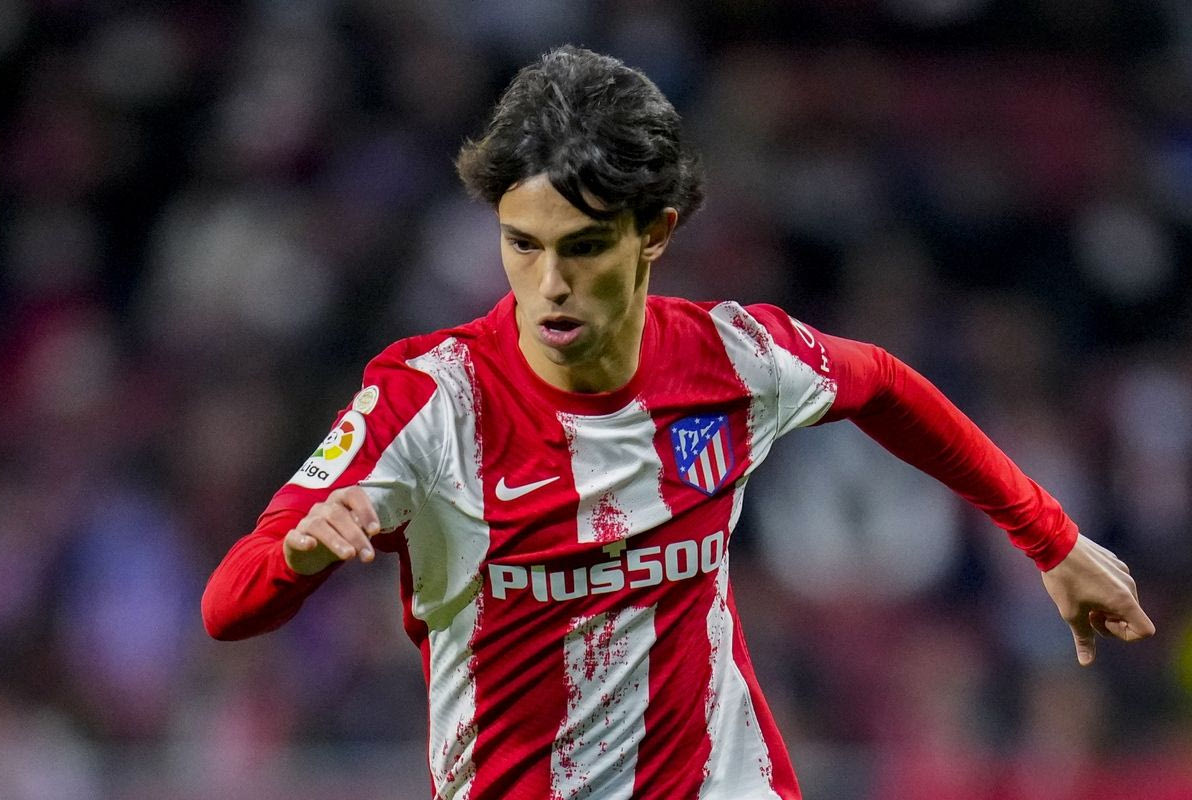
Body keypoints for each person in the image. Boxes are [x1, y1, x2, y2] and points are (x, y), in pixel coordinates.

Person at [202, 45, 1155, 800]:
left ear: (654, 232)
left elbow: (881, 383)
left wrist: (1051, 538)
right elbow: (227, 605)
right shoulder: (432, 399)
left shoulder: (732, 359)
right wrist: (300, 555)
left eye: (583, 248)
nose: (549, 284)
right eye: (522, 244)